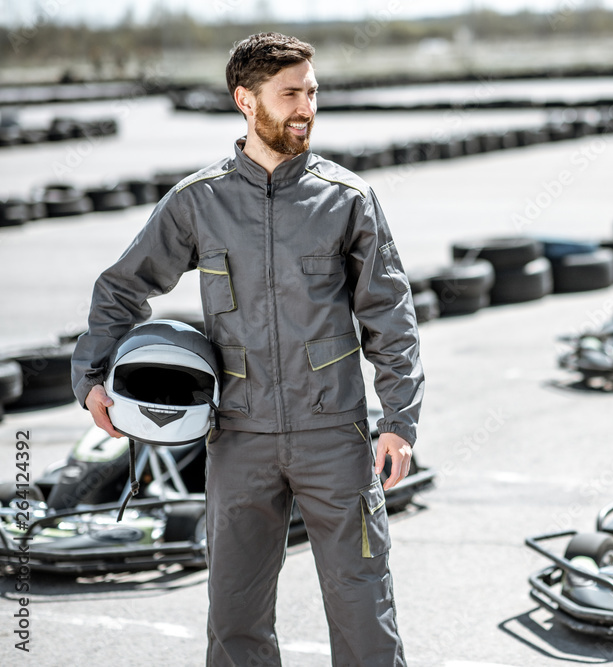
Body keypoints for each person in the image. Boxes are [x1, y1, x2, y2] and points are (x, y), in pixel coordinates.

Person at [70, 32, 423, 667]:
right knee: (235, 619)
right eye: (290, 94)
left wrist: (398, 421)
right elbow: (122, 289)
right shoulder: (198, 202)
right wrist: (93, 376)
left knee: (363, 608)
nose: (306, 107)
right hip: (237, 440)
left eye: (312, 92)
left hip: (334, 437)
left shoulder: (348, 200)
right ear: (245, 99)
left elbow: (389, 315)